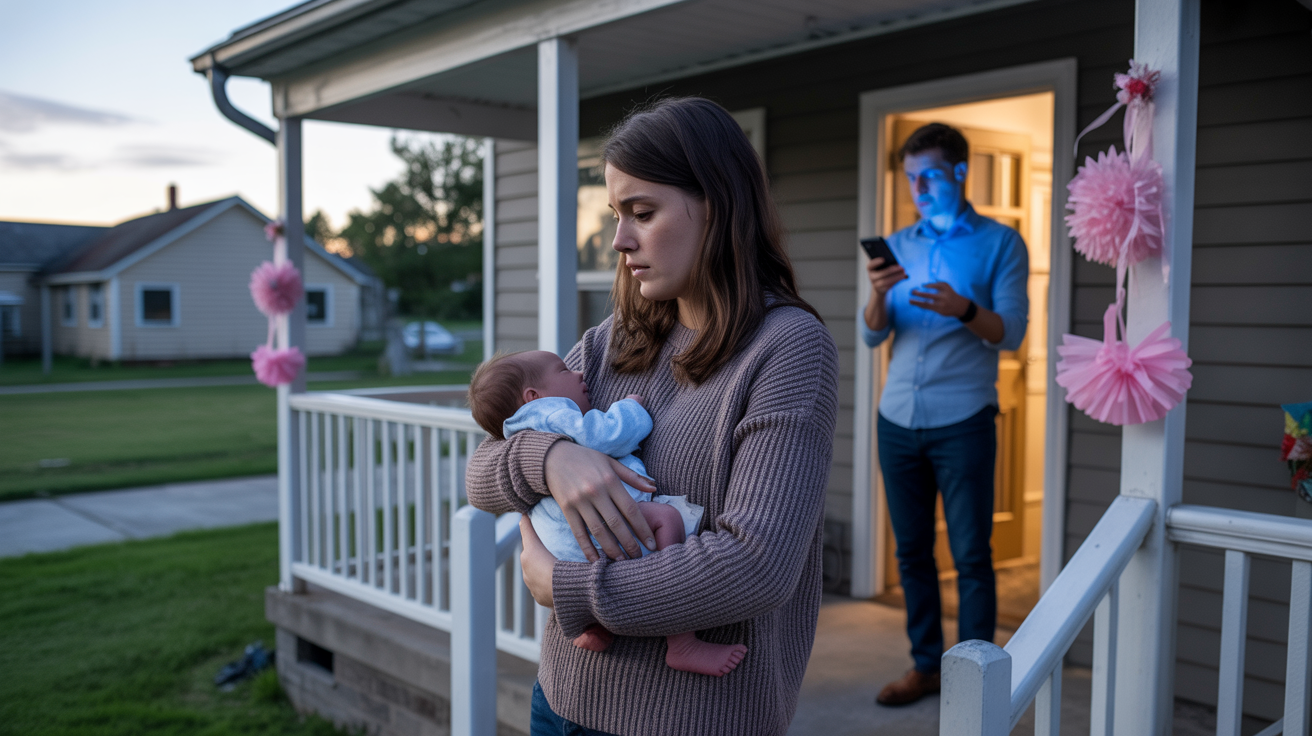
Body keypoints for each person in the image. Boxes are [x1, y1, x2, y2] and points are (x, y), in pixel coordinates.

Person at [465, 96, 838, 736]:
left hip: (691, 722)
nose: (619, 240)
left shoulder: (787, 348)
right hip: (560, 702)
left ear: (718, 208)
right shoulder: (612, 342)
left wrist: (571, 590)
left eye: (642, 212)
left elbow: (756, 565)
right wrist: (552, 457)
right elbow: (480, 474)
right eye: (616, 214)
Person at [862, 122, 1030, 706]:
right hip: (897, 419)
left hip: (964, 421)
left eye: (929, 175)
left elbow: (1009, 333)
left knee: (971, 555)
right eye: (911, 178)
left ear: (961, 172)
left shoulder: (1000, 243)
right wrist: (879, 293)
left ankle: (975, 685)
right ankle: (927, 665)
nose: (919, 188)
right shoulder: (900, 243)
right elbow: (869, 334)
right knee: (911, 552)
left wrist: (963, 309)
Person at [467, 349, 748, 676]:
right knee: (667, 519)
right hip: (603, 534)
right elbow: (603, 434)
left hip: (567, 551)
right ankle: (682, 642)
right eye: (563, 370)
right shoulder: (551, 412)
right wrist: (630, 408)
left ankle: (592, 628)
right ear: (534, 397)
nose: (578, 374)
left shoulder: (519, 426)